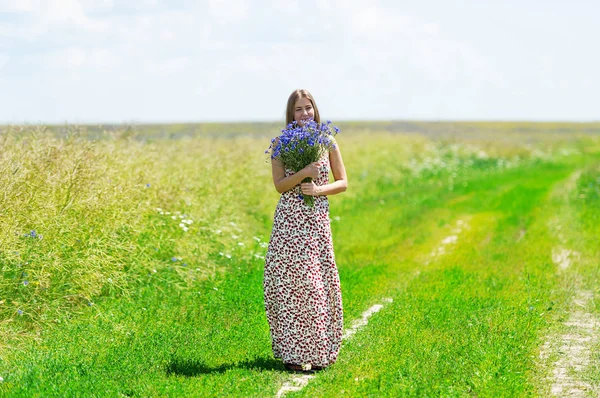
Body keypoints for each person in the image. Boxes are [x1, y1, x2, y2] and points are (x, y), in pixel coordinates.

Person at [263, 89, 348, 373]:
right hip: (288, 222)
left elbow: (343, 182)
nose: (305, 114)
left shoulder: (327, 141)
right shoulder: (280, 144)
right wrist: (303, 173)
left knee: (315, 284)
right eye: (299, 110)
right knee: (289, 285)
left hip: (315, 222)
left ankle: (318, 352)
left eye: (308, 108)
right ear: (291, 114)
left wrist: (319, 189)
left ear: (315, 110)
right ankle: (292, 354)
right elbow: (279, 185)